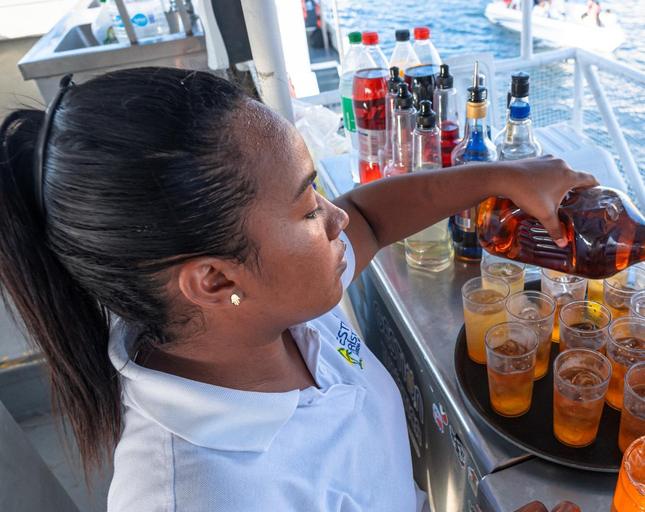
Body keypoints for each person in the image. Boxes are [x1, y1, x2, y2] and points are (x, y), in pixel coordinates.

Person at [0, 68, 597, 511]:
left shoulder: (267, 309)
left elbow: (370, 216)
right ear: (213, 278)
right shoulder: (202, 494)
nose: (334, 218)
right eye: (308, 207)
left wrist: (502, 175)